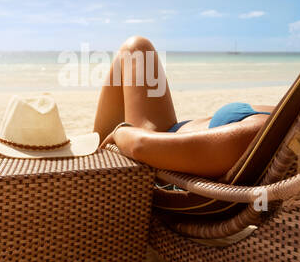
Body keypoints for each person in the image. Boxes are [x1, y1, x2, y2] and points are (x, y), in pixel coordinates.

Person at [94, 35, 275, 177]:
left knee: (135, 48)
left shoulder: (260, 137)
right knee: (137, 49)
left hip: (159, 147)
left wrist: (120, 132)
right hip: (178, 135)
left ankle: (92, 167)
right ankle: (92, 157)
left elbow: (141, 146)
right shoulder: (294, 121)